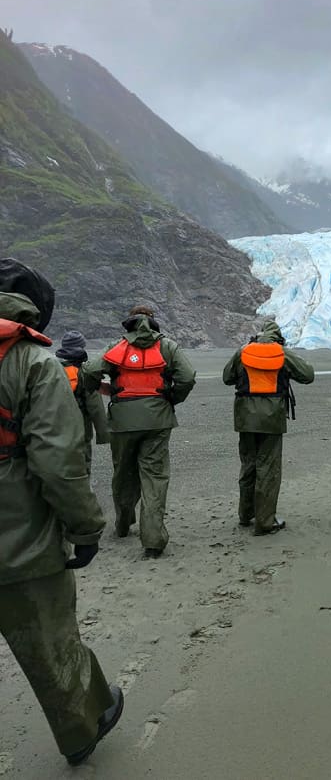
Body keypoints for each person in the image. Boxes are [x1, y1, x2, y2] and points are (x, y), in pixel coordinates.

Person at [0, 258, 123, 765]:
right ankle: (81, 731)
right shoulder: (30, 361)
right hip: (16, 533)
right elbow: (57, 461)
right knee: (49, 643)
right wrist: (85, 526)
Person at [82, 305, 196, 558]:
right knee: (154, 476)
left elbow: (89, 370)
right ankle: (153, 539)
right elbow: (187, 377)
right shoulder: (167, 346)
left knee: (123, 472)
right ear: (153, 321)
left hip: (122, 421)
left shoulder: (117, 346)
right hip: (157, 420)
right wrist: (171, 398)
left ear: (131, 321)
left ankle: (123, 524)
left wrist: (104, 389)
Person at [223, 319, 314, 535]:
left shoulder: (244, 351)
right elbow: (308, 375)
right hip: (272, 418)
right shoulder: (281, 352)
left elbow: (227, 378)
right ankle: (265, 521)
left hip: (245, 417)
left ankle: (246, 515)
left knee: (249, 465)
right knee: (268, 469)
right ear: (278, 337)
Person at [56, 330, 110, 477]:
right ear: (82, 347)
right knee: (82, 462)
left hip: (55, 424)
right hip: (80, 426)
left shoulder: (53, 368)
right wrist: (103, 434)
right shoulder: (84, 372)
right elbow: (95, 407)